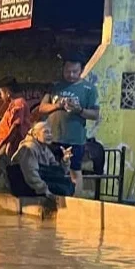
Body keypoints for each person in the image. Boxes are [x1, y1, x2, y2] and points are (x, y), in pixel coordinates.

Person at [38, 52, 100, 194]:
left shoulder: (89, 89)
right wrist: (58, 105)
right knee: (51, 168)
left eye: (74, 72)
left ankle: (76, 202)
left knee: (75, 170)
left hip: (75, 140)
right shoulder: (56, 86)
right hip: (52, 138)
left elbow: (95, 115)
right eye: (67, 71)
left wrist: (79, 110)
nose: (71, 75)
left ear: (82, 70)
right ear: (63, 69)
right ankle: (52, 199)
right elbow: (42, 108)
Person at [7, 121, 76, 199]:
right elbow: (31, 174)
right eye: (46, 132)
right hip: (24, 184)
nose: (50, 135)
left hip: (38, 181)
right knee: (62, 188)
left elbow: (57, 171)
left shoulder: (45, 150)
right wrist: (45, 190)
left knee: (68, 184)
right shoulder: (28, 148)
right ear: (35, 135)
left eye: (50, 132)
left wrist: (65, 160)